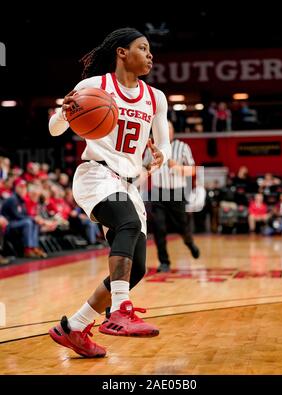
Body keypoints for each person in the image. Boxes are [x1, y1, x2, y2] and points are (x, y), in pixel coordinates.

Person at [48, 28, 171, 358]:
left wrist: (162, 155)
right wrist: (64, 111)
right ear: (121, 52)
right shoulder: (93, 87)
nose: (150, 55)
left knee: (140, 268)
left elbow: (165, 144)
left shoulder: (155, 97)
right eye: (142, 48)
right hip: (97, 175)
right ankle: (119, 311)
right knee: (127, 224)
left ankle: (73, 327)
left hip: (130, 184)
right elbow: (55, 129)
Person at [143, 120, 200, 272]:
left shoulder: (182, 147)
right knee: (159, 228)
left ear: (173, 131)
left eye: (168, 127)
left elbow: (193, 170)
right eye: (163, 127)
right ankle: (164, 262)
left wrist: (177, 167)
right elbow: (144, 168)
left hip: (176, 192)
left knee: (182, 226)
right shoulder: (151, 147)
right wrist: (149, 167)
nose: (165, 130)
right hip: (158, 192)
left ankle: (189, 243)